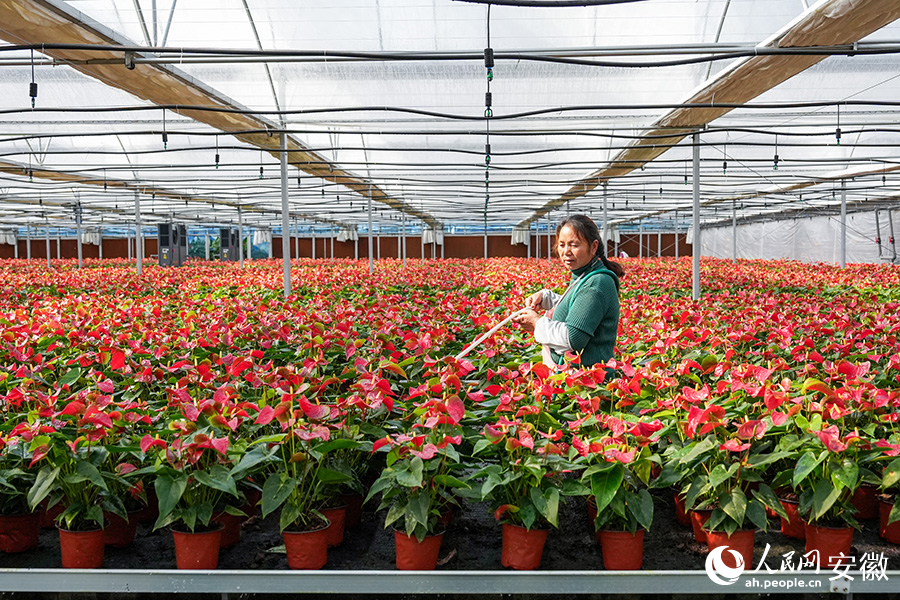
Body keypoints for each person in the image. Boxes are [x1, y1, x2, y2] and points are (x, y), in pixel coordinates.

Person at [513, 214, 624, 379]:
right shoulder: (586, 275)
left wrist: (536, 323)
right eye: (562, 245)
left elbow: (573, 338)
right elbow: (580, 306)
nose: (566, 252)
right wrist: (546, 298)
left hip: (587, 383)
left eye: (574, 245)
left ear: (593, 247)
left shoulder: (597, 282)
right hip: (573, 376)